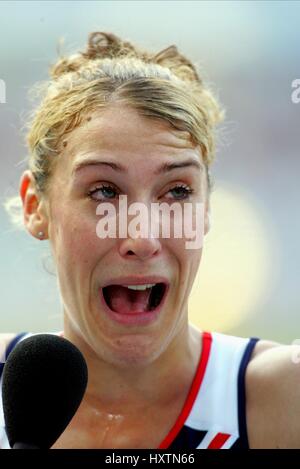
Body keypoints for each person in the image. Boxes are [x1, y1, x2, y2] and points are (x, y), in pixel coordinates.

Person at [0, 31, 299, 449]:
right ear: (35, 206)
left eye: (177, 191)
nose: (142, 237)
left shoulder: (284, 400)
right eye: (104, 191)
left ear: (207, 208)